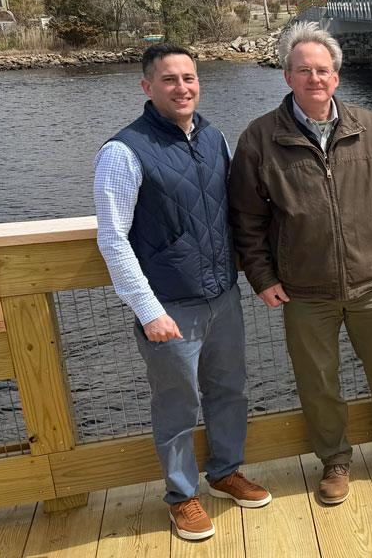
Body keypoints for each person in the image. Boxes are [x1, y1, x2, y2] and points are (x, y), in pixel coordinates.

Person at [228, 22, 372, 504]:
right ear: (287, 76)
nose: (314, 78)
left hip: (371, 283)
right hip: (302, 290)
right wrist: (262, 276)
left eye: (323, 70)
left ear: (337, 76)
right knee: (318, 384)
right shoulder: (259, 139)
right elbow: (246, 220)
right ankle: (335, 461)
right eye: (303, 71)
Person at [93, 44, 271, 541]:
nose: (182, 87)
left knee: (229, 391)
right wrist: (147, 309)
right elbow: (112, 239)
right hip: (169, 304)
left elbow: (233, 211)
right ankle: (182, 495)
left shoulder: (213, 137)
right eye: (169, 80)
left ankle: (225, 471)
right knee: (175, 404)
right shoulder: (123, 151)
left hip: (222, 293)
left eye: (189, 78)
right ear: (147, 87)